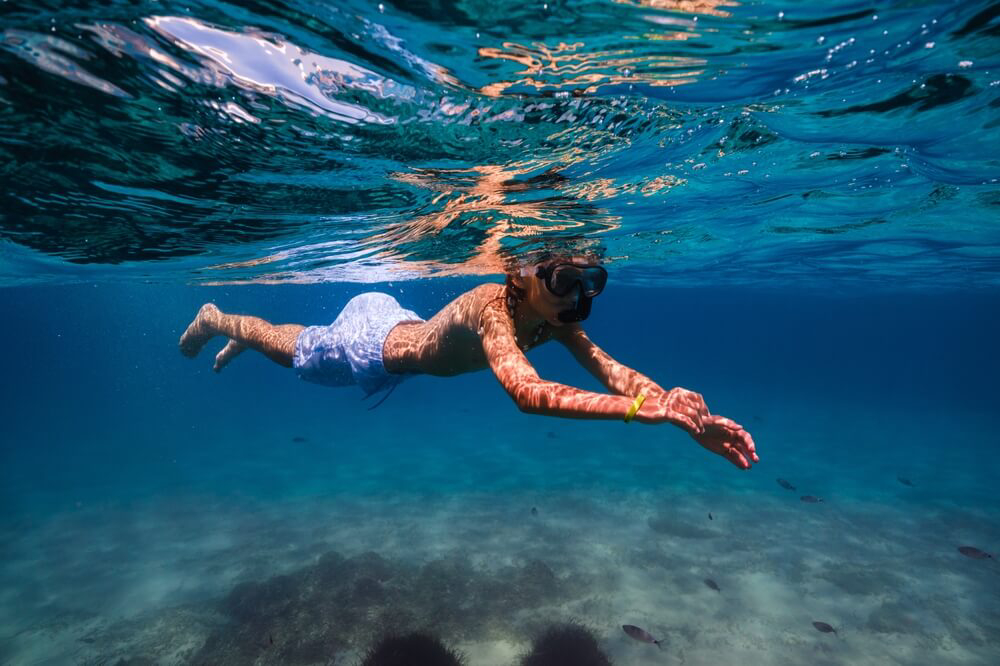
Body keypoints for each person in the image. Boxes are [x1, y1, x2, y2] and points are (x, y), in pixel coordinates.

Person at [178, 255, 758, 469]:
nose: (576, 296)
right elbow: (527, 393)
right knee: (290, 350)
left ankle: (241, 336)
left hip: (398, 320)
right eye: (563, 279)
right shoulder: (493, 308)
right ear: (521, 276)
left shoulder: (555, 319)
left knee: (288, 344)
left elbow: (609, 369)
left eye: (589, 282)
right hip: (367, 345)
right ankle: (218, 319)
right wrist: (641, 411)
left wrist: (680, 412)